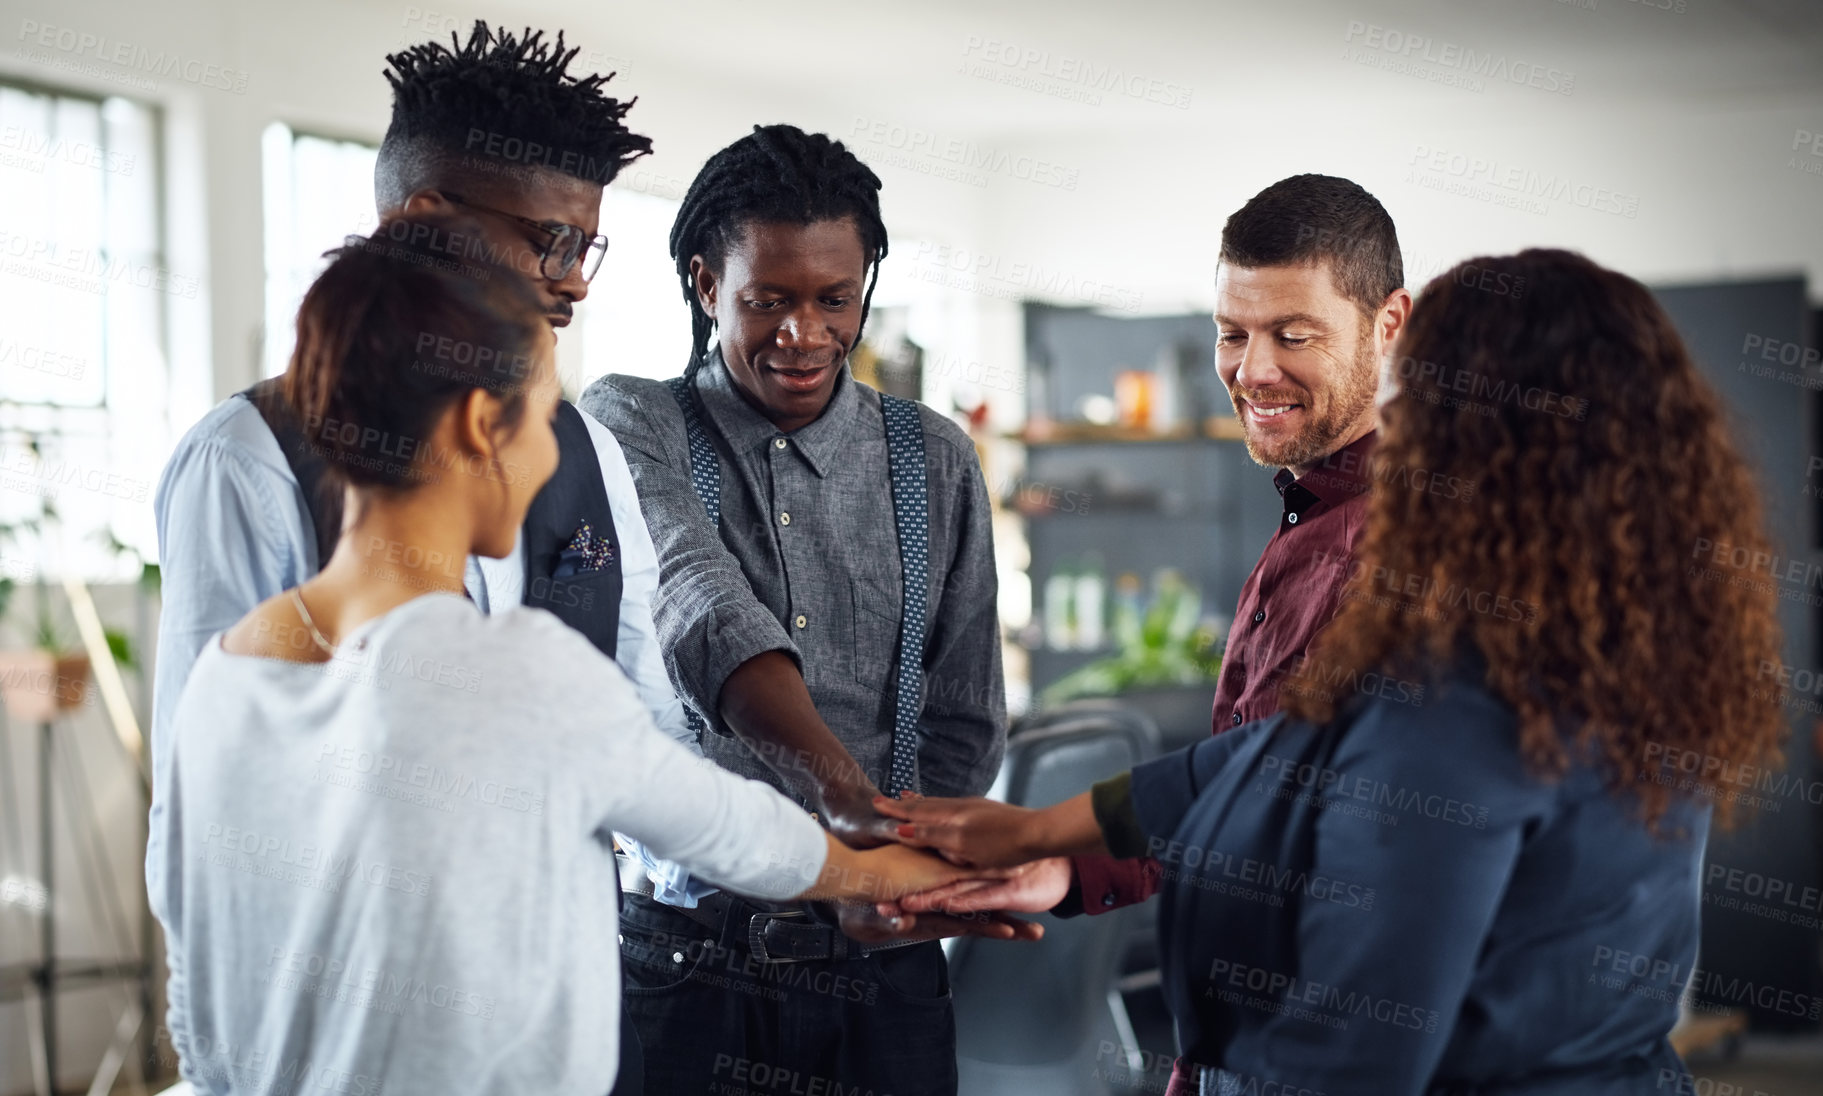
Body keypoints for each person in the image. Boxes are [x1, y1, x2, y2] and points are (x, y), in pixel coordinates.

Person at [878, 249, 1787, 1093]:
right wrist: (1044, 836)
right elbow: (1263, 761)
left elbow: (1360, 1044)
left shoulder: (1463, 705)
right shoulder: (1623, 647)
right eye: (1233, 334)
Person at [150, 215, 994, 1096]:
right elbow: (727, 831)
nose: (556, 449)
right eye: (543, 413)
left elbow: (193, 963)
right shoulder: (516, 672)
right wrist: (919, 874)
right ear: (484, 424)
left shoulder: (227, 673)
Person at [150, 29, 662, 1085]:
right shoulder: (247, 460)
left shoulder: (590, 453)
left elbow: (650, 733)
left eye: (588, 248)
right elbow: (203, 828)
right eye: (548, 241)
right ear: (419, 222)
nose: (573, 284)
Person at [903, 174, 1413, 1096]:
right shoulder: (1308, 526)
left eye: (1293, 335)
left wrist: (1052, 837)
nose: (1252, 370)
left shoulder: (1413, 550)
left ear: (1388, 324)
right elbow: (1243, 807)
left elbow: (1288, 800)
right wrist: (1064, 870)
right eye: (1231, 333)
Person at [579, 124, 1017, 1096]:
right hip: (685, 963)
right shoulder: (629, 424)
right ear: (703, 284)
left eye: (833, 299)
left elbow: (961, 716)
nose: (803, 333)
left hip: (883, 966)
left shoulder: (932, 459)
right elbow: (701, 607)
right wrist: (844, 805)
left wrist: (895, 863)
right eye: (767, 300)